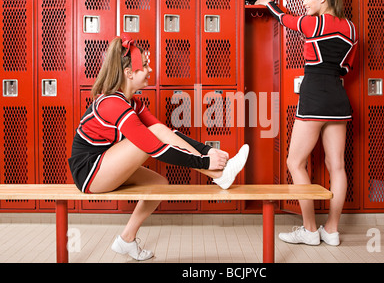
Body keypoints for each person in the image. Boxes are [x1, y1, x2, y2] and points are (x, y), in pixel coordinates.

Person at [68, 34, 249, 260]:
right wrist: (204, 162)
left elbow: (166, 133)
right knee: (150, 137)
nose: (150, 69)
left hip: (105, 161)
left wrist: (206, 151)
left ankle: (126, 240)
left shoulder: (132, 102)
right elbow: (155, 148)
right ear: (129, 73)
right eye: (144, 65)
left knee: (158, 184)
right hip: (89, 172)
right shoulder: (112, 103)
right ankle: (219, 174)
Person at [256, 0, 358, 246]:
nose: (304, 3)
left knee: (294, 162)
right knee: (337, 166)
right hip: (338, 98)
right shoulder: (350, 28)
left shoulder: (315, 25)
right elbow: (346, 68)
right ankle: (332, 231)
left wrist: (267, 3)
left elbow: (283, 18)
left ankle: (310, 230)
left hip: (313, 96)